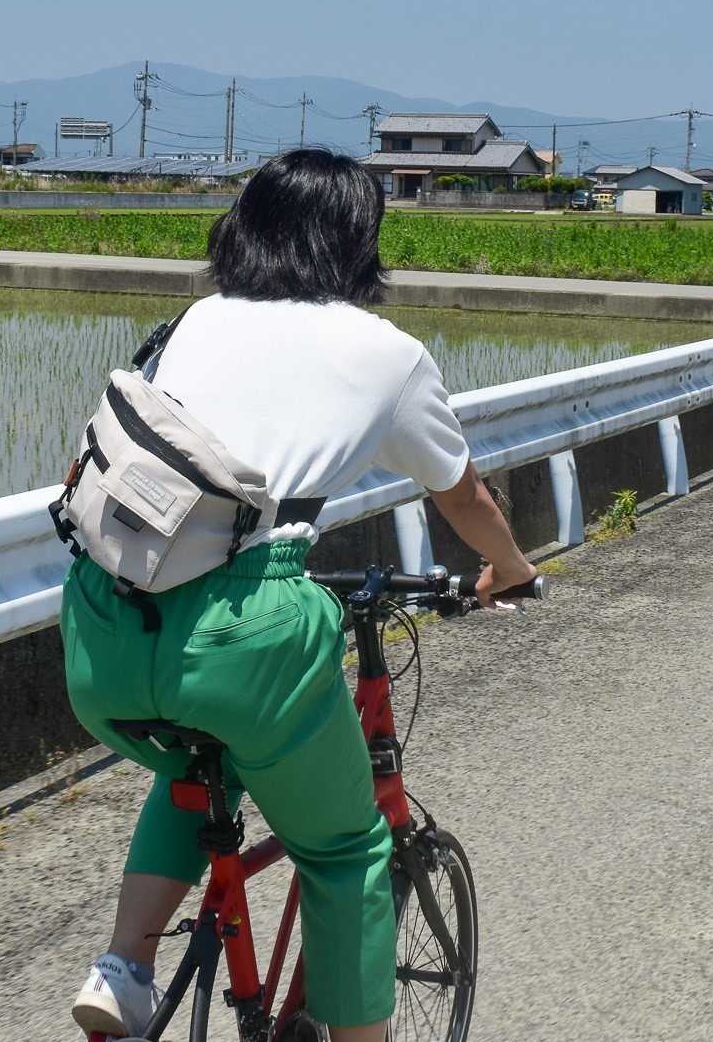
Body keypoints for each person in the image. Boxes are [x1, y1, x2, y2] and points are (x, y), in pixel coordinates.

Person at [60, 148, 538, 1042]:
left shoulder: (195, 319)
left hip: (103, 622)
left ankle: (122, 967)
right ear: (358, 244)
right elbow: (462, 493)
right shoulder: (384, 353)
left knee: (192, 770)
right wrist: (511, 568)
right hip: (249, 634)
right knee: (348, 848)